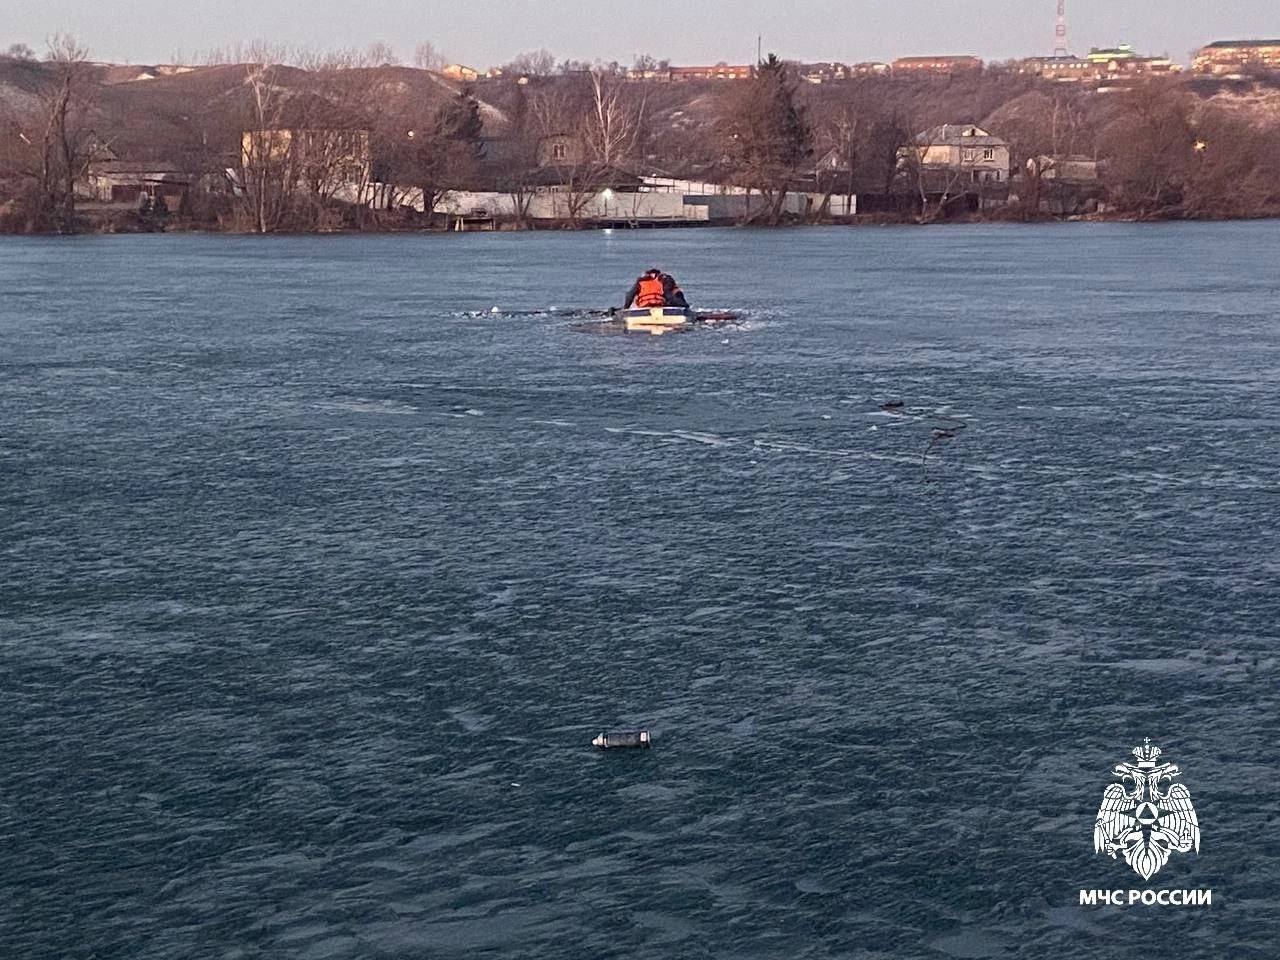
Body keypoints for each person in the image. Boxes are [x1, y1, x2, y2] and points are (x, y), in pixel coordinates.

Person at [623, 268, 688, 310]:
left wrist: (625, 308)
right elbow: (670, 296)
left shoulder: (641, 282)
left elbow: (630, 295)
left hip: (644, 307)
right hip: (661, 306)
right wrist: (685, 306)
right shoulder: (664, 280)